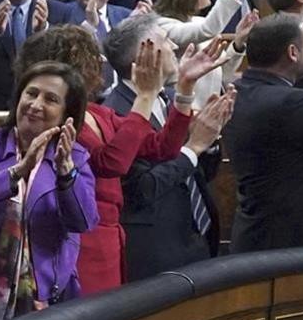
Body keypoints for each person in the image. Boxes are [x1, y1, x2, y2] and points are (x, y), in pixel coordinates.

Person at [13, 24, 221, 295]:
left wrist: (184, 91)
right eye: (91, 58)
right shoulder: (64, 122)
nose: (100, 63)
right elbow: (112, 163)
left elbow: (161, 147)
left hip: (111, 237)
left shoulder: (98, 112)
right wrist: (145, 95)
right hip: (83, 239)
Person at [0, 61, 99, 320]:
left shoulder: (75, 157)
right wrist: (16, 172)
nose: (36, 104)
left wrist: (66, 172)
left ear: (67, 113)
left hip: (42, 295)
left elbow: (83, 221)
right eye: (31, 93)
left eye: (51, 99)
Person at [103, 16, 232, 279]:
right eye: (164, 39)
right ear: (144, 55)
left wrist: (208, 143)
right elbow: (141, 189)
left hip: (193, 235)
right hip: (155, 249)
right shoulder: (116, 111)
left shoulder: (172, 98)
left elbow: (197, 172)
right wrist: (194, 148)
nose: (174, 45)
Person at [223, 13, 303, 252]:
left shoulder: (237, 91)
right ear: (293, 53)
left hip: (253, 236)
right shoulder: (292, 104)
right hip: (288, 249)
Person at [154, 0, 255, 107]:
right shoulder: (163, 26)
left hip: (210, 112)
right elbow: (206, 30)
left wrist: (238, 42)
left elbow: (222, 73)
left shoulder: (199, 21)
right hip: (183, 113)